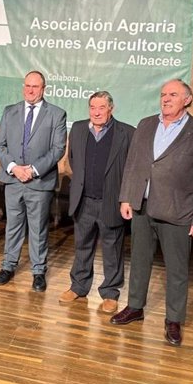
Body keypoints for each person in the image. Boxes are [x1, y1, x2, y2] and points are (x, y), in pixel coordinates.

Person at [111, 79, 193, 346]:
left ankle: (173, 320)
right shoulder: (146, 124)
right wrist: (127, 197)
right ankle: (135, 307)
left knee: (177, 269)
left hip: (178, 212)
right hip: (142, 208)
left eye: (173, 94)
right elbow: (133, 164)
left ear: (188, 99)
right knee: (139, 261)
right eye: (163, 95)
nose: (166, 99)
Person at [59, 92, 135, 313]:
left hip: (111, 202)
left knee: (112, 249)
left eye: (101, 107)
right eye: (92, 107)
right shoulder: (79, 129)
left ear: (111, 108)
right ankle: (78, 286)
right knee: (82, 245)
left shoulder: (127, 133)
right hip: (83, 201)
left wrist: (126, 198)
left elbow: (131, 170)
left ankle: (110, 293)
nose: (96, 111)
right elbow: (73, 160)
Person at [0, 71, 67, 291]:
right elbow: (0, 146)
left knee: (37, 229)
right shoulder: (9, 111)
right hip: (13, 179)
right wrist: (14, 168)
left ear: (43, 88)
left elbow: (57, 149)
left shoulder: (56, 114)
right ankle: (8, 266)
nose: (30, 90)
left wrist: (33, 171)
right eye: (27, 86)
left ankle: (38, 271)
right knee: (13, 226)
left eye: (35, 86)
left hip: (39, 182)